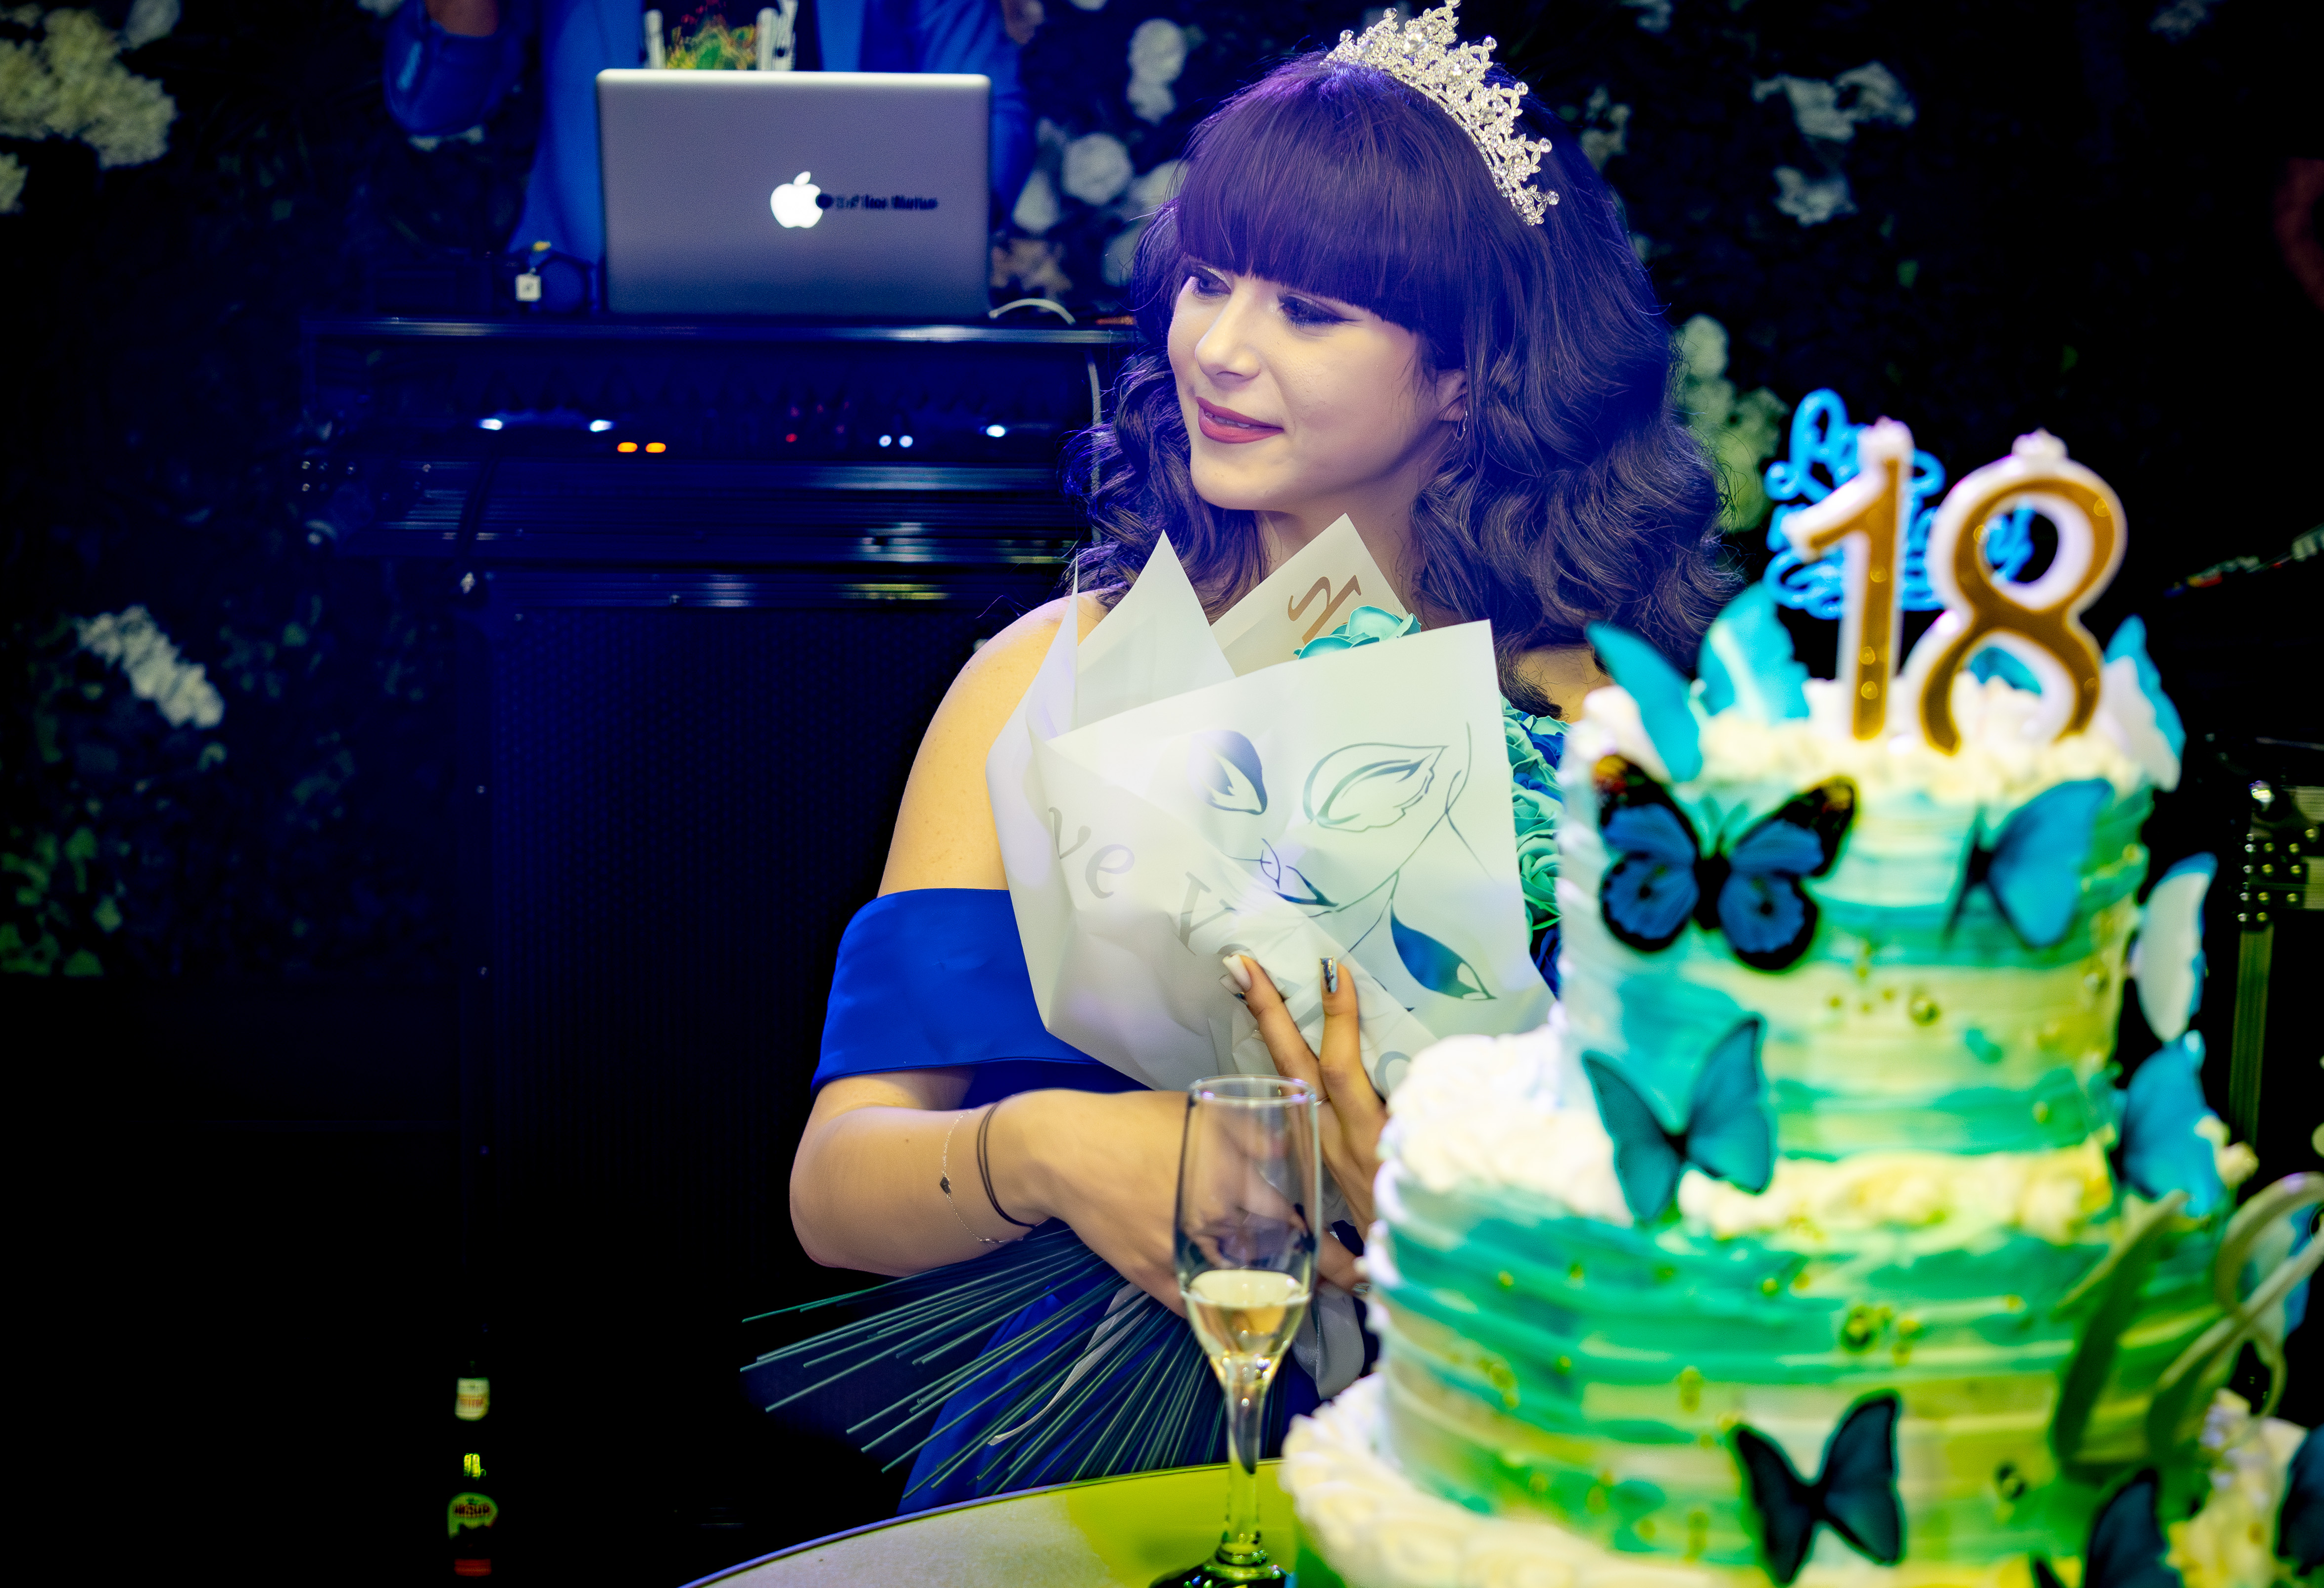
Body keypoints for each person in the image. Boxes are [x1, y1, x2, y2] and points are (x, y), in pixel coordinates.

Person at [757, 4, 1735, 1511]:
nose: (1217, 346)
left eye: (1307, 311)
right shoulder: (1039, 683)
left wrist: (1463, 1186)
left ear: (1465, 374)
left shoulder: (1617, 722)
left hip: (1505, 1443)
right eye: (1208, 279)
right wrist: (1058, 1147)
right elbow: (833, 1188)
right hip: (1082, 1449)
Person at [380, 0, 1040, 285]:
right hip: (590, 339)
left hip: (852, 338)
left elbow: (995, 125)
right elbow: (432, 106)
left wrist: (912, 238)